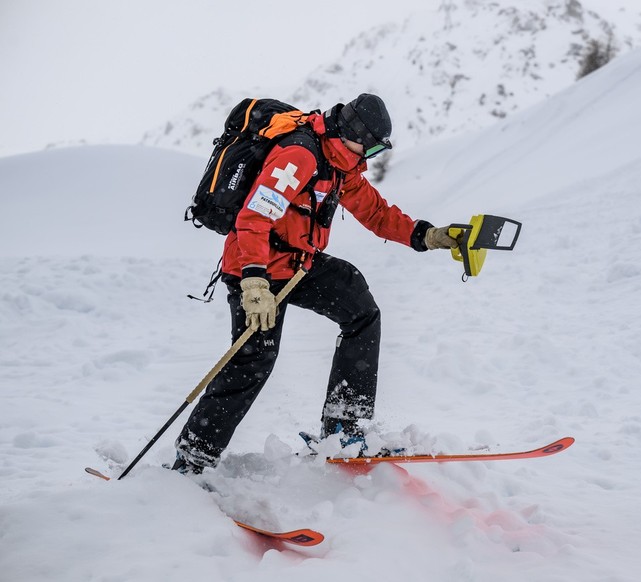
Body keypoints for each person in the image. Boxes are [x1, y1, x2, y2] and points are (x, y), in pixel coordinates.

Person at [172, 93, 458, 474]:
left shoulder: (342, 164)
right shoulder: (301, 156)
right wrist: (254, 283)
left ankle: (343, 429)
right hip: (255, 267)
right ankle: (192, 460)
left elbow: (375, 212)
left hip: (298, 265)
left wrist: (427, 235)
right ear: (353, 132)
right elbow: (254, 218)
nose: (370, 155)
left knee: (360, 310)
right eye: (369, 145)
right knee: (252, 361)